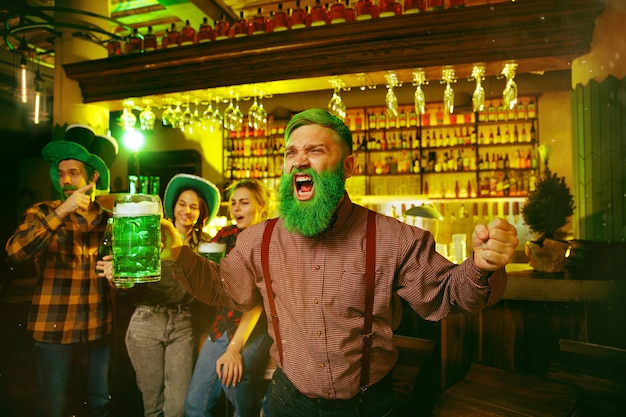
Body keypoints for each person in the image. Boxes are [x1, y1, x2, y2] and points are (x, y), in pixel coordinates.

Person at [159, 108, 519, 417]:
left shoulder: (393, 238)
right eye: (291, 153)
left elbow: (446, 296)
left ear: (347, 166)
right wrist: (178, 252)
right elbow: (223, 287)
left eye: (315, 150)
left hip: (367, 405)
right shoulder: (258, 239)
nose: (300, 160)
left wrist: (482, 266)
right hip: (288, 403)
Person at [5, 124, 118, 417]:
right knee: (53, 407)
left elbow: (122, 280)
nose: (66, 179)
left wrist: (117, 275)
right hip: (53, 328)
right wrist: (62, 212)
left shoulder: (110, 220)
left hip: (98, 327)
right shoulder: (42, 212)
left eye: (74, 173)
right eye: (61, 173)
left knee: (100, 404)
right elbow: (15, 252)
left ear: (92, 177)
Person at [118, 173, 220, 417]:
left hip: (182, 323)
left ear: (201, 212)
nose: (187, 211)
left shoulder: (207, 245)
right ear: (173, 208)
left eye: (194, 206)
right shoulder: (152, 236)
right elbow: (129, 279)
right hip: (147, 320)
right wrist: (120, 276)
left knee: (177, 407)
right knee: (153, 406)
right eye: (182, 204)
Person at [185, 179, 274, 417]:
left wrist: (234, 348)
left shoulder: (270, 239)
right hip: (223, 324)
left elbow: (255, 302)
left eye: (244, 203)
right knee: (194, 406)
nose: (236, 208)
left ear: (261, 206)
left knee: (232, 380)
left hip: (256, 326)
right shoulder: (226, 235)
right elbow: (203, 273)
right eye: (233, 203)